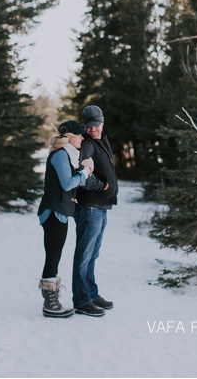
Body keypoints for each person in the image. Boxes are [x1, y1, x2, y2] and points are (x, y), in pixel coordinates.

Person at [37, 120, 106, 318]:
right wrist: (84, 172)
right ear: (69, 137)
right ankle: (50, 303)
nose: (83, 138)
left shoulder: (67, 155)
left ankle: (52, 299)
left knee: (55, 255)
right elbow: (67, 184)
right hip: (53, 212)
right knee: (53, 256)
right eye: (79, 135)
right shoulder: (60, 155)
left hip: (60, 211)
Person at [72, 104, 119, 317]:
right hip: (89, 207)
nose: (93, 129)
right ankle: (82, 301)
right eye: (89, 126)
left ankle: (91, 294)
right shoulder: (88, 145)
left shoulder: (102, 140)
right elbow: (83, 175)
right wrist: (103, 187)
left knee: (92, 254)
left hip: (100, 207)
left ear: (102, 122)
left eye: (96, 125)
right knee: (84, 255)